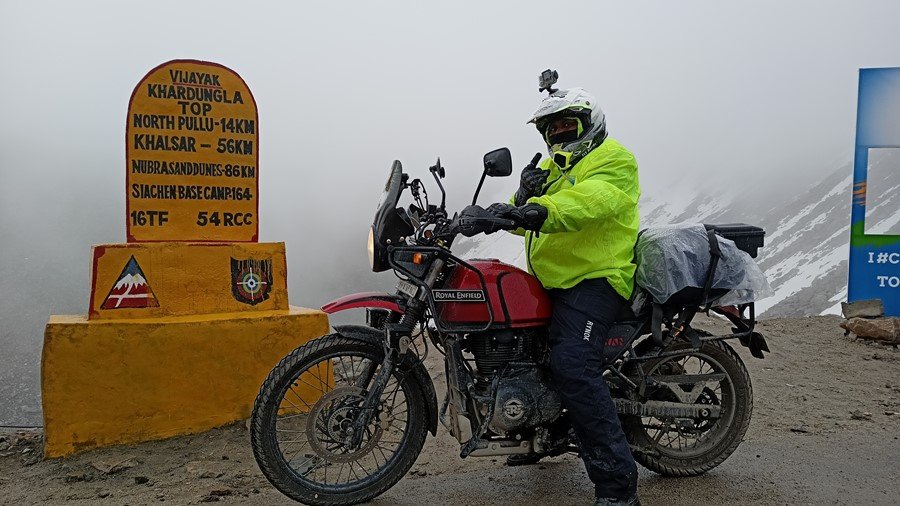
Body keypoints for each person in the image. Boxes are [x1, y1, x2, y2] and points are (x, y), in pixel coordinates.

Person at [487, 86, 641, 506]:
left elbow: (587, 203)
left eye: (565, 125)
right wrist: (507, 207)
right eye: (551, 129)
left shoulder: (613, 161)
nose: (558, 134)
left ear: (588, 125)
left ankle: (618, 489)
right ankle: (542, 434)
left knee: (573, 365)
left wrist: (538, 208)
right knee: (520, 348)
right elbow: (531, 218)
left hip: (596, 279)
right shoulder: (558, 168)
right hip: (556, 280)